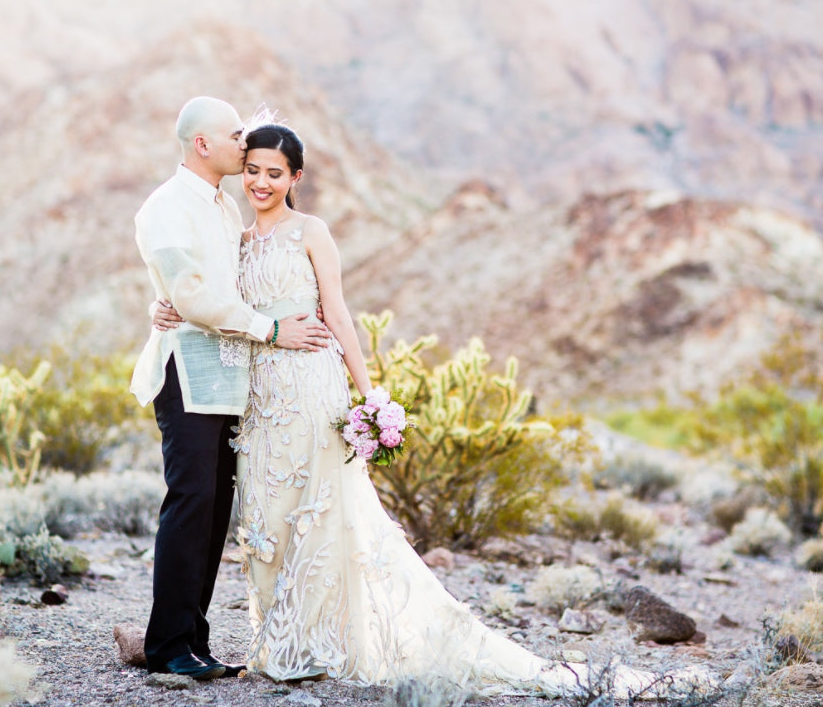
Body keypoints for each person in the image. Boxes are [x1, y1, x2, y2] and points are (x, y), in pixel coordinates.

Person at [152, 120, 672, 696]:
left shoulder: (311, 232)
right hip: (258, 397)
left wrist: (369, 393)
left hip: (311, 387)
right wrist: (164, 307)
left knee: (321, 513)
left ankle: (318, 645)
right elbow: (211, 298)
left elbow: (340, 315)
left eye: (275, 174)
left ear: (295, 177)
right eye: (252, 171)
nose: (261, 183)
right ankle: (277, 642)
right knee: (267, 519)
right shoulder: (238, 238)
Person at [130, 98, 331, 681]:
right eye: (234, 135)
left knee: (214, 513)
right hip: (187, 374)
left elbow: (220, 284)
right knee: (190, 503)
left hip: (231, 379)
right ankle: (167, 644)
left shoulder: (221, 207)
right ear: (202, 144)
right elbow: (189, 294)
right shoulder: (165, 208)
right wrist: (270, 330)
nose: (244, 145)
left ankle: (193, 641)